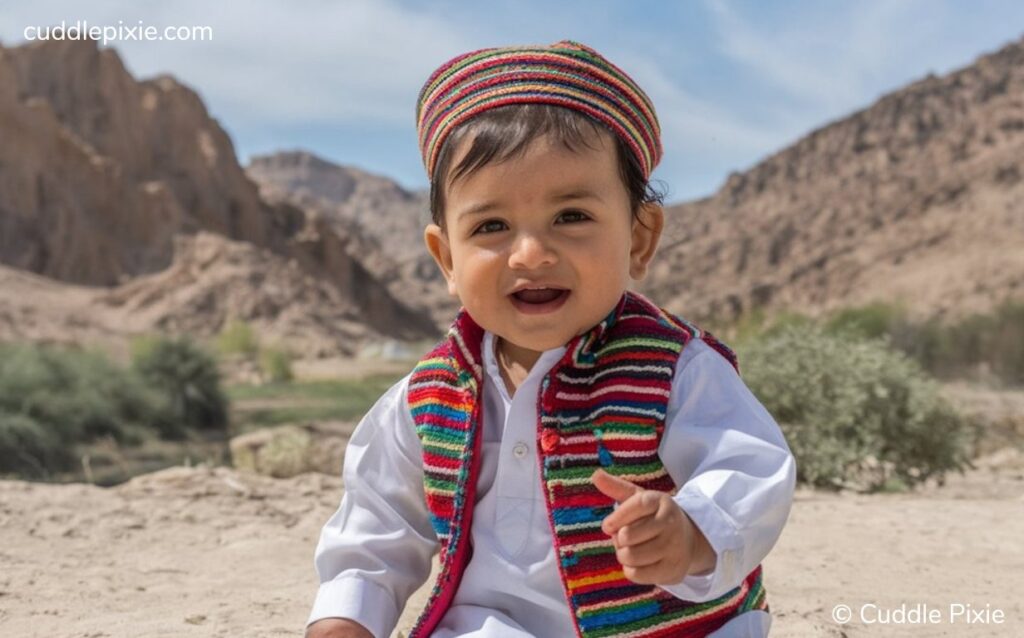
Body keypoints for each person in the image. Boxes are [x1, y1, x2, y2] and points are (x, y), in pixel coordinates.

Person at [305, 40, 796, 638]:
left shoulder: (674, 369)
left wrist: (692, 533)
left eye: (571, 217)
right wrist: (345, 619)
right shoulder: (428, 396)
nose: (531, 254)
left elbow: (750, 467)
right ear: (447, 258)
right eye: (491, 226)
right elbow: (377, 529)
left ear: (639, 238)